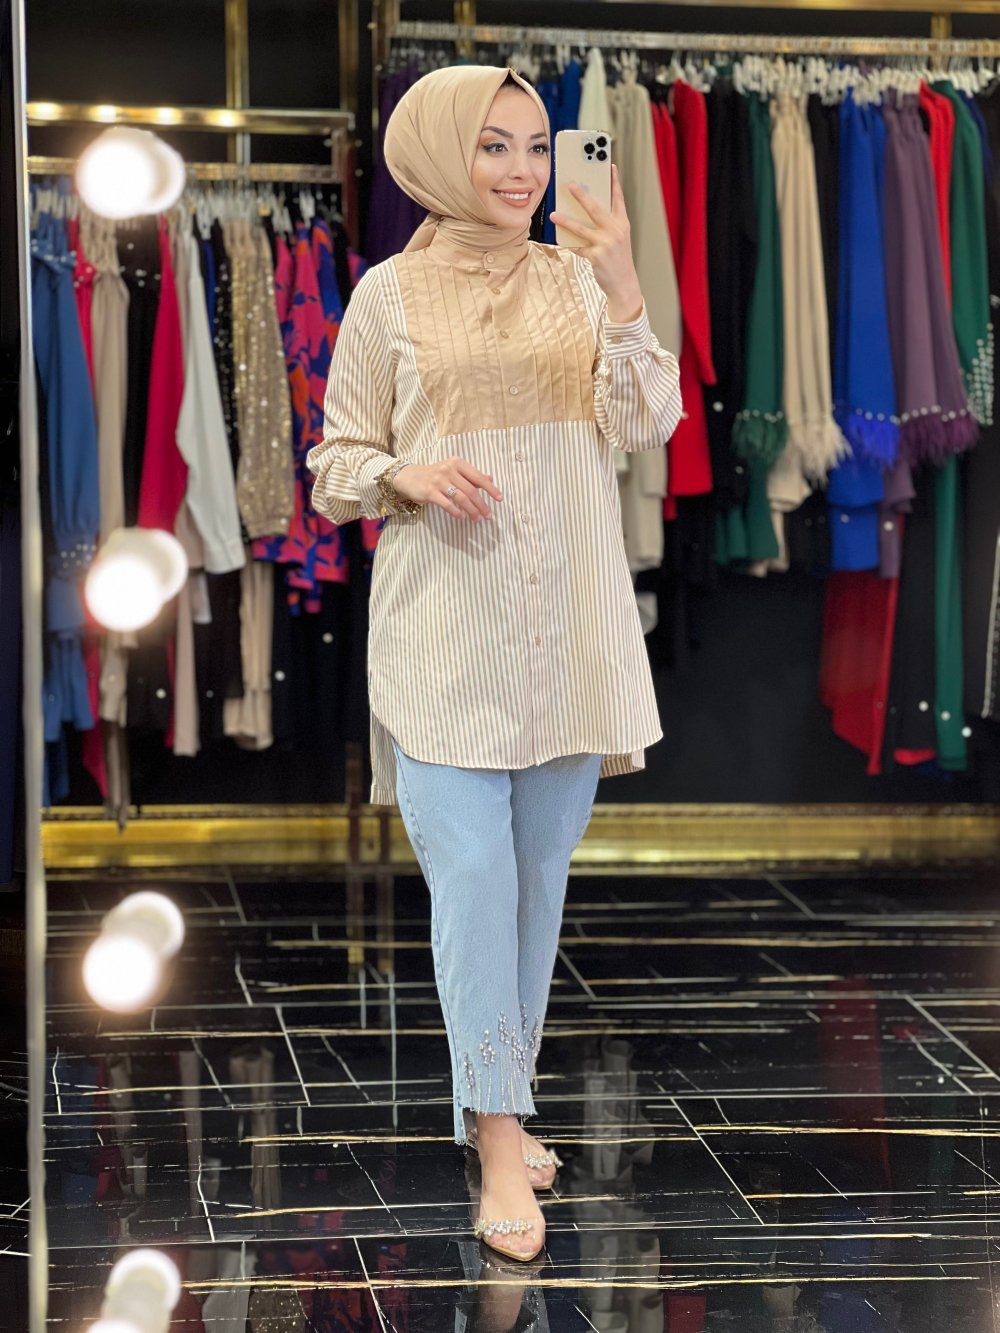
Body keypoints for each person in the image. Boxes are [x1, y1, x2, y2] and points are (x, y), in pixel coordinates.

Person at [307, 64, 681, 1262]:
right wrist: (402, 474)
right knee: (471, 882)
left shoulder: (576, 280)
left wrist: (624, 284)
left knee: (533, 884)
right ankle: (501, 1136)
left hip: (569, 636)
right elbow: (332, 464)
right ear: (435, 155)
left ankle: (496, 1104)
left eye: (534, 146)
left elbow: (646, 421)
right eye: (491, 146)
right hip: (444, 638)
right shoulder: (386, 295)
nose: (521, 171)